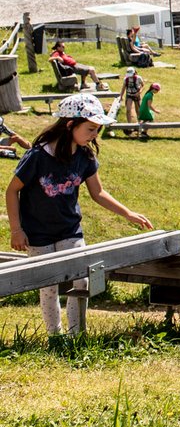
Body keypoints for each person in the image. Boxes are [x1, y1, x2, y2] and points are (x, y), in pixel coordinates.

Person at [6, 93, 153, 335]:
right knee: (49, 285)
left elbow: (98, 193)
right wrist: (16, 229)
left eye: (97, 129)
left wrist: (128, 213)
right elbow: (12, 191)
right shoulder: (38, 156)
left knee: (81, 278)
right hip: (37, 233)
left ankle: (76, 334)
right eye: (91, 128)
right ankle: (55, 335)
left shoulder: (85, 156)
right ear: (71, 124)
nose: (95, 134)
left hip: (69, 230)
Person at [119, 67, 144, 132]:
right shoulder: (126, 79)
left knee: (138, 110)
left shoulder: (139, 78)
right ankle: (129, 125)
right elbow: (123, 88)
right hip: (129, 95)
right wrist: (121, 96)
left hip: (136, 95)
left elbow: (142, 86)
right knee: (128, 110)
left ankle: (140, 125)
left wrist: (139, 92)